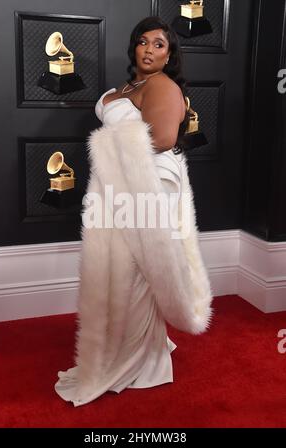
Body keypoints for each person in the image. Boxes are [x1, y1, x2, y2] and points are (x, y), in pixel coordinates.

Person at [54, 16, 213, 407]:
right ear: (133, 47)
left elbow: (162, 138)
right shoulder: (129, 87)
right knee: (121, 270)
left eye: (159, 44)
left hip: (148, 184)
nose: (149, 49)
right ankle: (131, 350)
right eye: (143, 42)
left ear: (170, 53)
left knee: (136, 272)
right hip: (122, 181)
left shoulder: (162, 85)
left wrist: (110, 145)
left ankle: (139, 359)